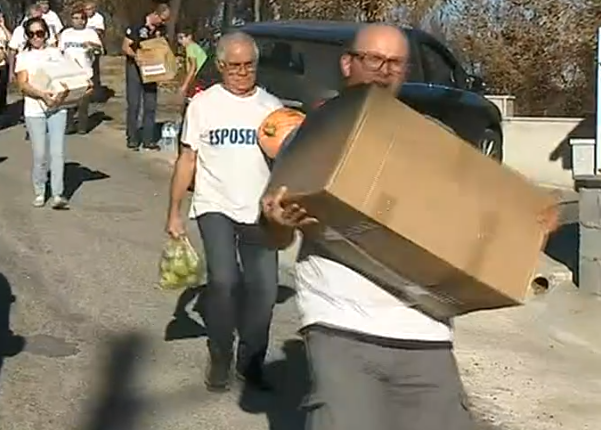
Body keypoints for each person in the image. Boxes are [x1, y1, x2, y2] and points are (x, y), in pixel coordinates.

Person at [259, 24, 475, 430]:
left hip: (424, 327)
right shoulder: (311, 135)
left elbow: (478, 215)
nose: (383, 70)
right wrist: (277, 222)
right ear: (348, 63)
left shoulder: (434, 140)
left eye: (395, 62)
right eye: (373, 59)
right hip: (341, 324)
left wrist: (530, 219)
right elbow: (274, 233)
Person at [165, 31, 283, 392]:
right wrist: (174, 211)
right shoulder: (204, 105)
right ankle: (219, 354)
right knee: (225, 282)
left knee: (264, 291)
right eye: (235, 66)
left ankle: (251, 362)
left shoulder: (272, 108)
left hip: (258, 210)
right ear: (219, 66)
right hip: (214, 205)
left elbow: (286, 164)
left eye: (249, 65)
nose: (243, 73)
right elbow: (188, 159)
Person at [14, 17, 76, 210]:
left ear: (46, 33)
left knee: (57, 152)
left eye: (39, 33)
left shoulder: (56, 53)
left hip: (57, 107)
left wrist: (66, 94)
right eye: (31, 34)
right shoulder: (23, 57)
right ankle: (40, 190)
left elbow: (68, 76)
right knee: (40, 154)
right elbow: (23, 85)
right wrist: (42, 95)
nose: (36, 38)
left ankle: (58, 194)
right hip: (34, 109)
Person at [122, 3, 170, 150]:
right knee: (134, 104)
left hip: (152, 69)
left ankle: (148, 139)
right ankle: (133, 139)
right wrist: (136, 57)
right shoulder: (137, 25)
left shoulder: (161, 30)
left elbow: (162, 49)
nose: (163, 23)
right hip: (135, 68)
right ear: (155, 14)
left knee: (150, 105)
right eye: (162, 19)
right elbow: (125, 47)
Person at [58, 7, 102, 134]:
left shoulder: (90, 33)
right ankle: (69, 125)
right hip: (68, 72)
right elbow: (60, 51)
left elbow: (100, 50)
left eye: (80, 18)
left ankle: (82, 126)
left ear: (85, 21)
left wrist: (92, 46)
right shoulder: (66, 33)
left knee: (83, 100)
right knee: (68, 100)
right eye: (75, 18)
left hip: (85, 71)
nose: (78, 21)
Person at [83, 1, 106, 101]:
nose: (88, 12)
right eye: (86, 9)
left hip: (94, 46)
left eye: (90, 9)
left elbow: (100, 31)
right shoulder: (83, 18)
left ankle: (96, 94)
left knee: (94, 70)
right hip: (83, 47)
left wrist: (90, 33)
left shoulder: (98, 18)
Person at [177, 26, 208, 98]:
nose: (180, 41)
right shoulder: (195, 46)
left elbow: (193, 67)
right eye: (178, 38)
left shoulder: (190, 48)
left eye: (181, 38)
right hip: (202, 80)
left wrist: (185, 85)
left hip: (198, 80)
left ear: (189, 37)